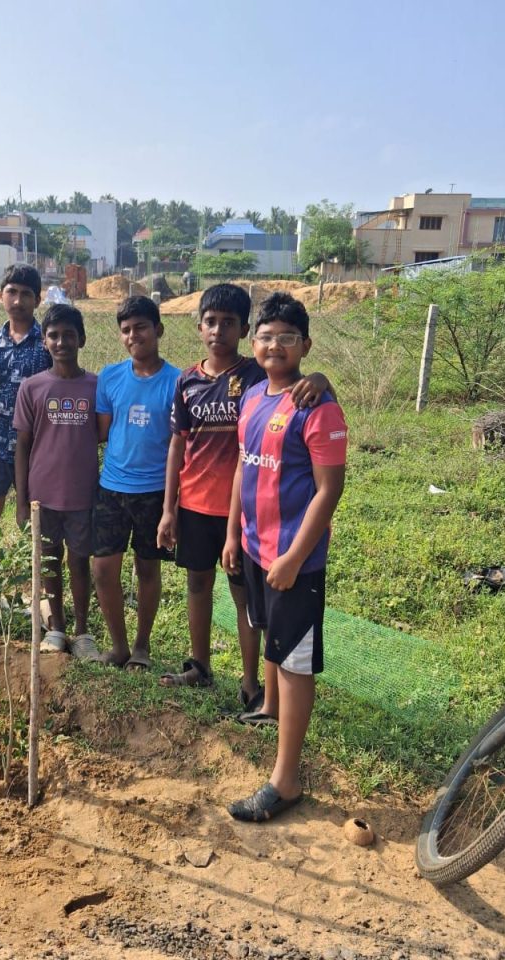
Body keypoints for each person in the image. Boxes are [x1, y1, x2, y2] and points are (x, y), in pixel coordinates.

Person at [157, 283, 331, 699]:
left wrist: (321, 379)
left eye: (228, 323)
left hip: (246, 516)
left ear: (244, 331)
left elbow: (302, 387)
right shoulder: (187, 381)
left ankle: (251, 683)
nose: (218, 330)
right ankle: (200, 666)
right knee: (197, 585)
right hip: (195, 505)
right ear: (199, 327)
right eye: (211, 322)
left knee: (246, 600)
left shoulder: (256, 374)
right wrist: (169, 508)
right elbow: (178, 444)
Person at [222, 292, 347, 822]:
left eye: (287, 338)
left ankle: (286, 781)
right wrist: (234, 533)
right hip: (255, 548)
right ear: (253, 343)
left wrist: (296, 556)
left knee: (294, 662)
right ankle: (269, 707)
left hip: (294, 559)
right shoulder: (253, 396)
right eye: (266, 336)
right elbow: (242, 467)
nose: (275, 345)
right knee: (268, 634)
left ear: (305, 345)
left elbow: (329, 490)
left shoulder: (318, 406)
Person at [94, 295, 181, 670]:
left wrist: (171, 506)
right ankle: (118, 647)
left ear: (158, 330)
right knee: (103, 570)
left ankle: (142, 647)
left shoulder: (177, 382)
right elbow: (103, 432)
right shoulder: (110, 377)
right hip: (112, 489)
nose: (133, 336)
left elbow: (180, 444)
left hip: (155, 493)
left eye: (141, 327)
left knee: (148, 569)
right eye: (126, 330)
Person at [13, 304, 100, 659]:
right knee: (48, 561)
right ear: (44, 342)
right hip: (42, 496)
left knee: (79, 561)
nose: (61, 342)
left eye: (68, 335)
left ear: (82, 339)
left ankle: (82, 632)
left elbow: (102, 436)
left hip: (82, 495)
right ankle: (57, 628)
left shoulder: (96, 386)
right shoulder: (32, 387)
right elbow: (22, 446)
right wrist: (21, 500)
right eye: (53, 335)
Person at [0, 265, 51, 559]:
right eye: (11, 292)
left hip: (38, 443)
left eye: (26, 294)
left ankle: (40, 577)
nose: (18, 300)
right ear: (1, 295)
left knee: (34, 512)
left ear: (37, 300)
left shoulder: (48, 343)